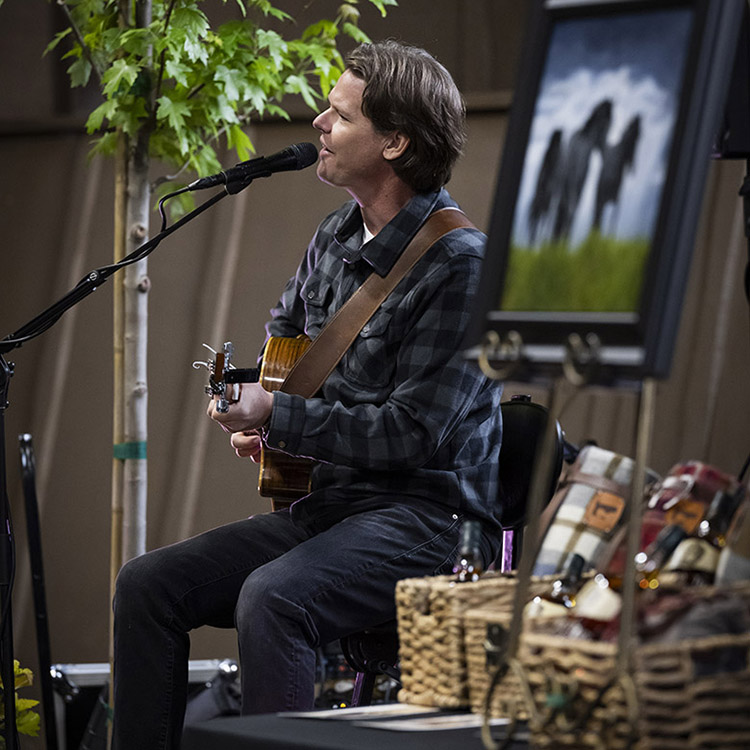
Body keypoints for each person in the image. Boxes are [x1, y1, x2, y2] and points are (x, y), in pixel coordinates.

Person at [112, 40, 503, 749]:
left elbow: (415, 432)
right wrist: (251, 408)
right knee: (147, 585)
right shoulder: (336, 235)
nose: (318, 122)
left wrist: (281, 414)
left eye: (340, 113)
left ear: (395, 140)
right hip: (332, 509)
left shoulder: (462, 267)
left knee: (274, 597)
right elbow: (287, 339)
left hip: (428, 523)